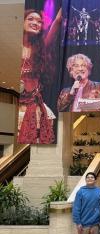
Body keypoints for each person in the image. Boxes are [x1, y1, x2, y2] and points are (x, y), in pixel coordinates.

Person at [18, 8, 62, 144]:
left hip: (33, 106)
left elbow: (57, 21)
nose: (36, 23)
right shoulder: (9, 46)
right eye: (30, 19)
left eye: (39, 21)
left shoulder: (41, 48)